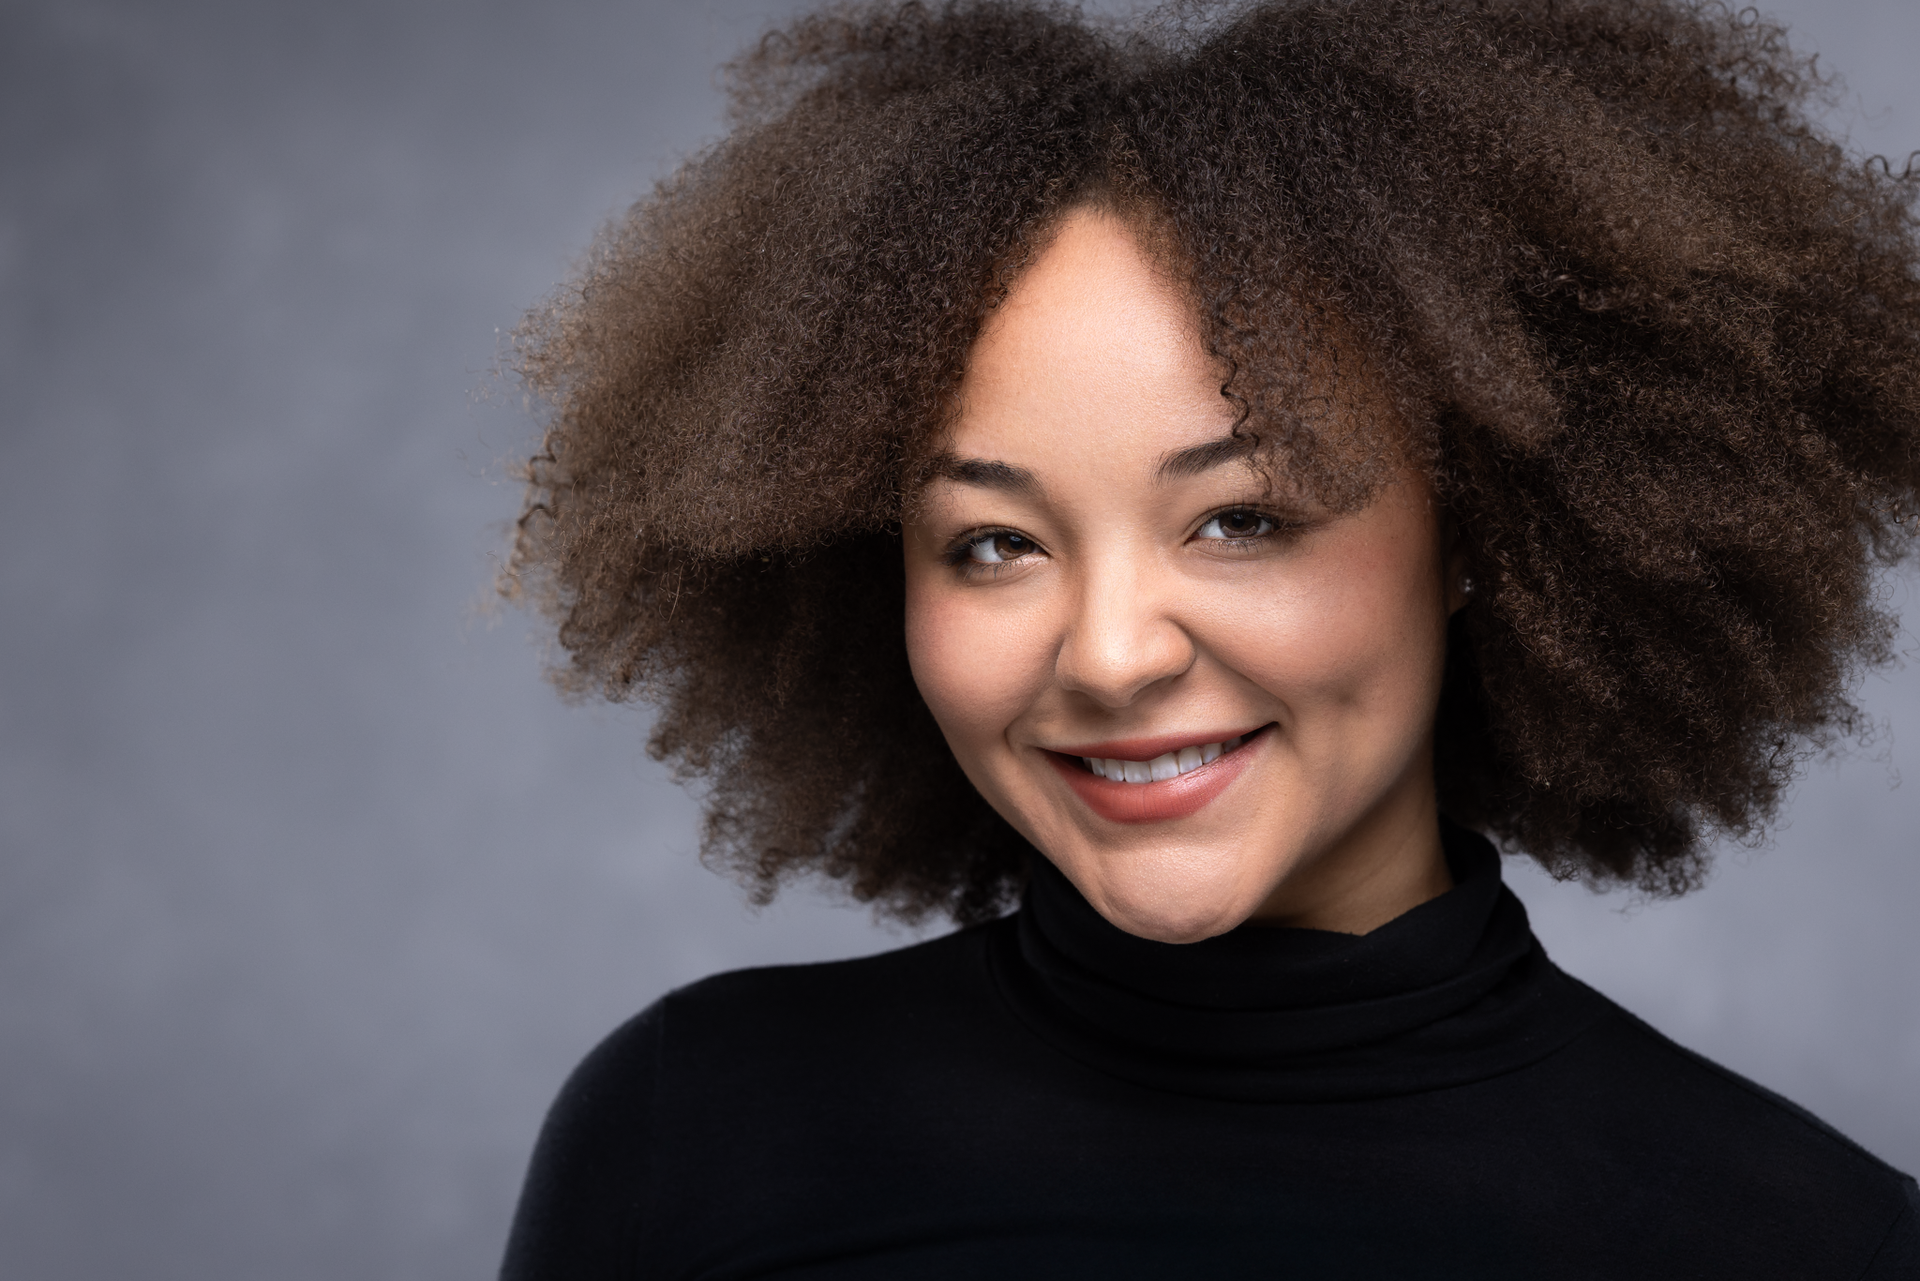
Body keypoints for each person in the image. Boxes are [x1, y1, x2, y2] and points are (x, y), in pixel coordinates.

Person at [498, 1, 1920, 1275]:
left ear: (1487, 536)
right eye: (995, 544)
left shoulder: (1803, 1239)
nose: (1110, 659)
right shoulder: (690, 1129)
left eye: (1241, 519)